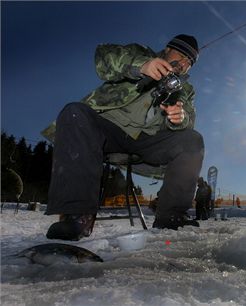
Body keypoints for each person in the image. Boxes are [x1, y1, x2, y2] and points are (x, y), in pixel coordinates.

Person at [41, 34, 204, 241]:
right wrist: (141, 65)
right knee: (75, 112)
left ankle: (171, 217)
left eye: (189, 62)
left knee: (192, 140)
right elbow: (104, 57)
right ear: (167, 49)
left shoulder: (186, 90)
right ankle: (76, 215)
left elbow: (189, 119)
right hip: (108, 129)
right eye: (180, 55)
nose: (183, 63)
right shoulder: (141, 54)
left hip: (148, 141)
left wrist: (179, 118)